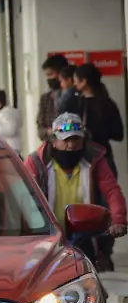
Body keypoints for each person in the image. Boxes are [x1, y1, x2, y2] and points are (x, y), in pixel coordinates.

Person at [24, 113, 127, 270]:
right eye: (66, 140)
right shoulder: (36, 162)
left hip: (85, 238)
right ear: (54, 141)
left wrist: (118, 219)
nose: (71, 145)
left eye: (76, 139)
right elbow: (24, 197)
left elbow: (111, 189)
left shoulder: (95, 159)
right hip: (48, 240)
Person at [64, 64, 124, 177]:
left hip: (89, 158)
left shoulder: (77, 104)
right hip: (100, 155)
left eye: (76, 81)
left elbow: (118, 134)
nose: (74, 84)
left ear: (84, 81)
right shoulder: (107, 103)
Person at [38, 54, 70, 142]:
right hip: (52, 148)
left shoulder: (75, 97)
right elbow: (40, 130)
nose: (48, 79)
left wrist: (56, 130)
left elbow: (76, 126)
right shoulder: (45, 98)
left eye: (51, 74)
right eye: (46, 75)